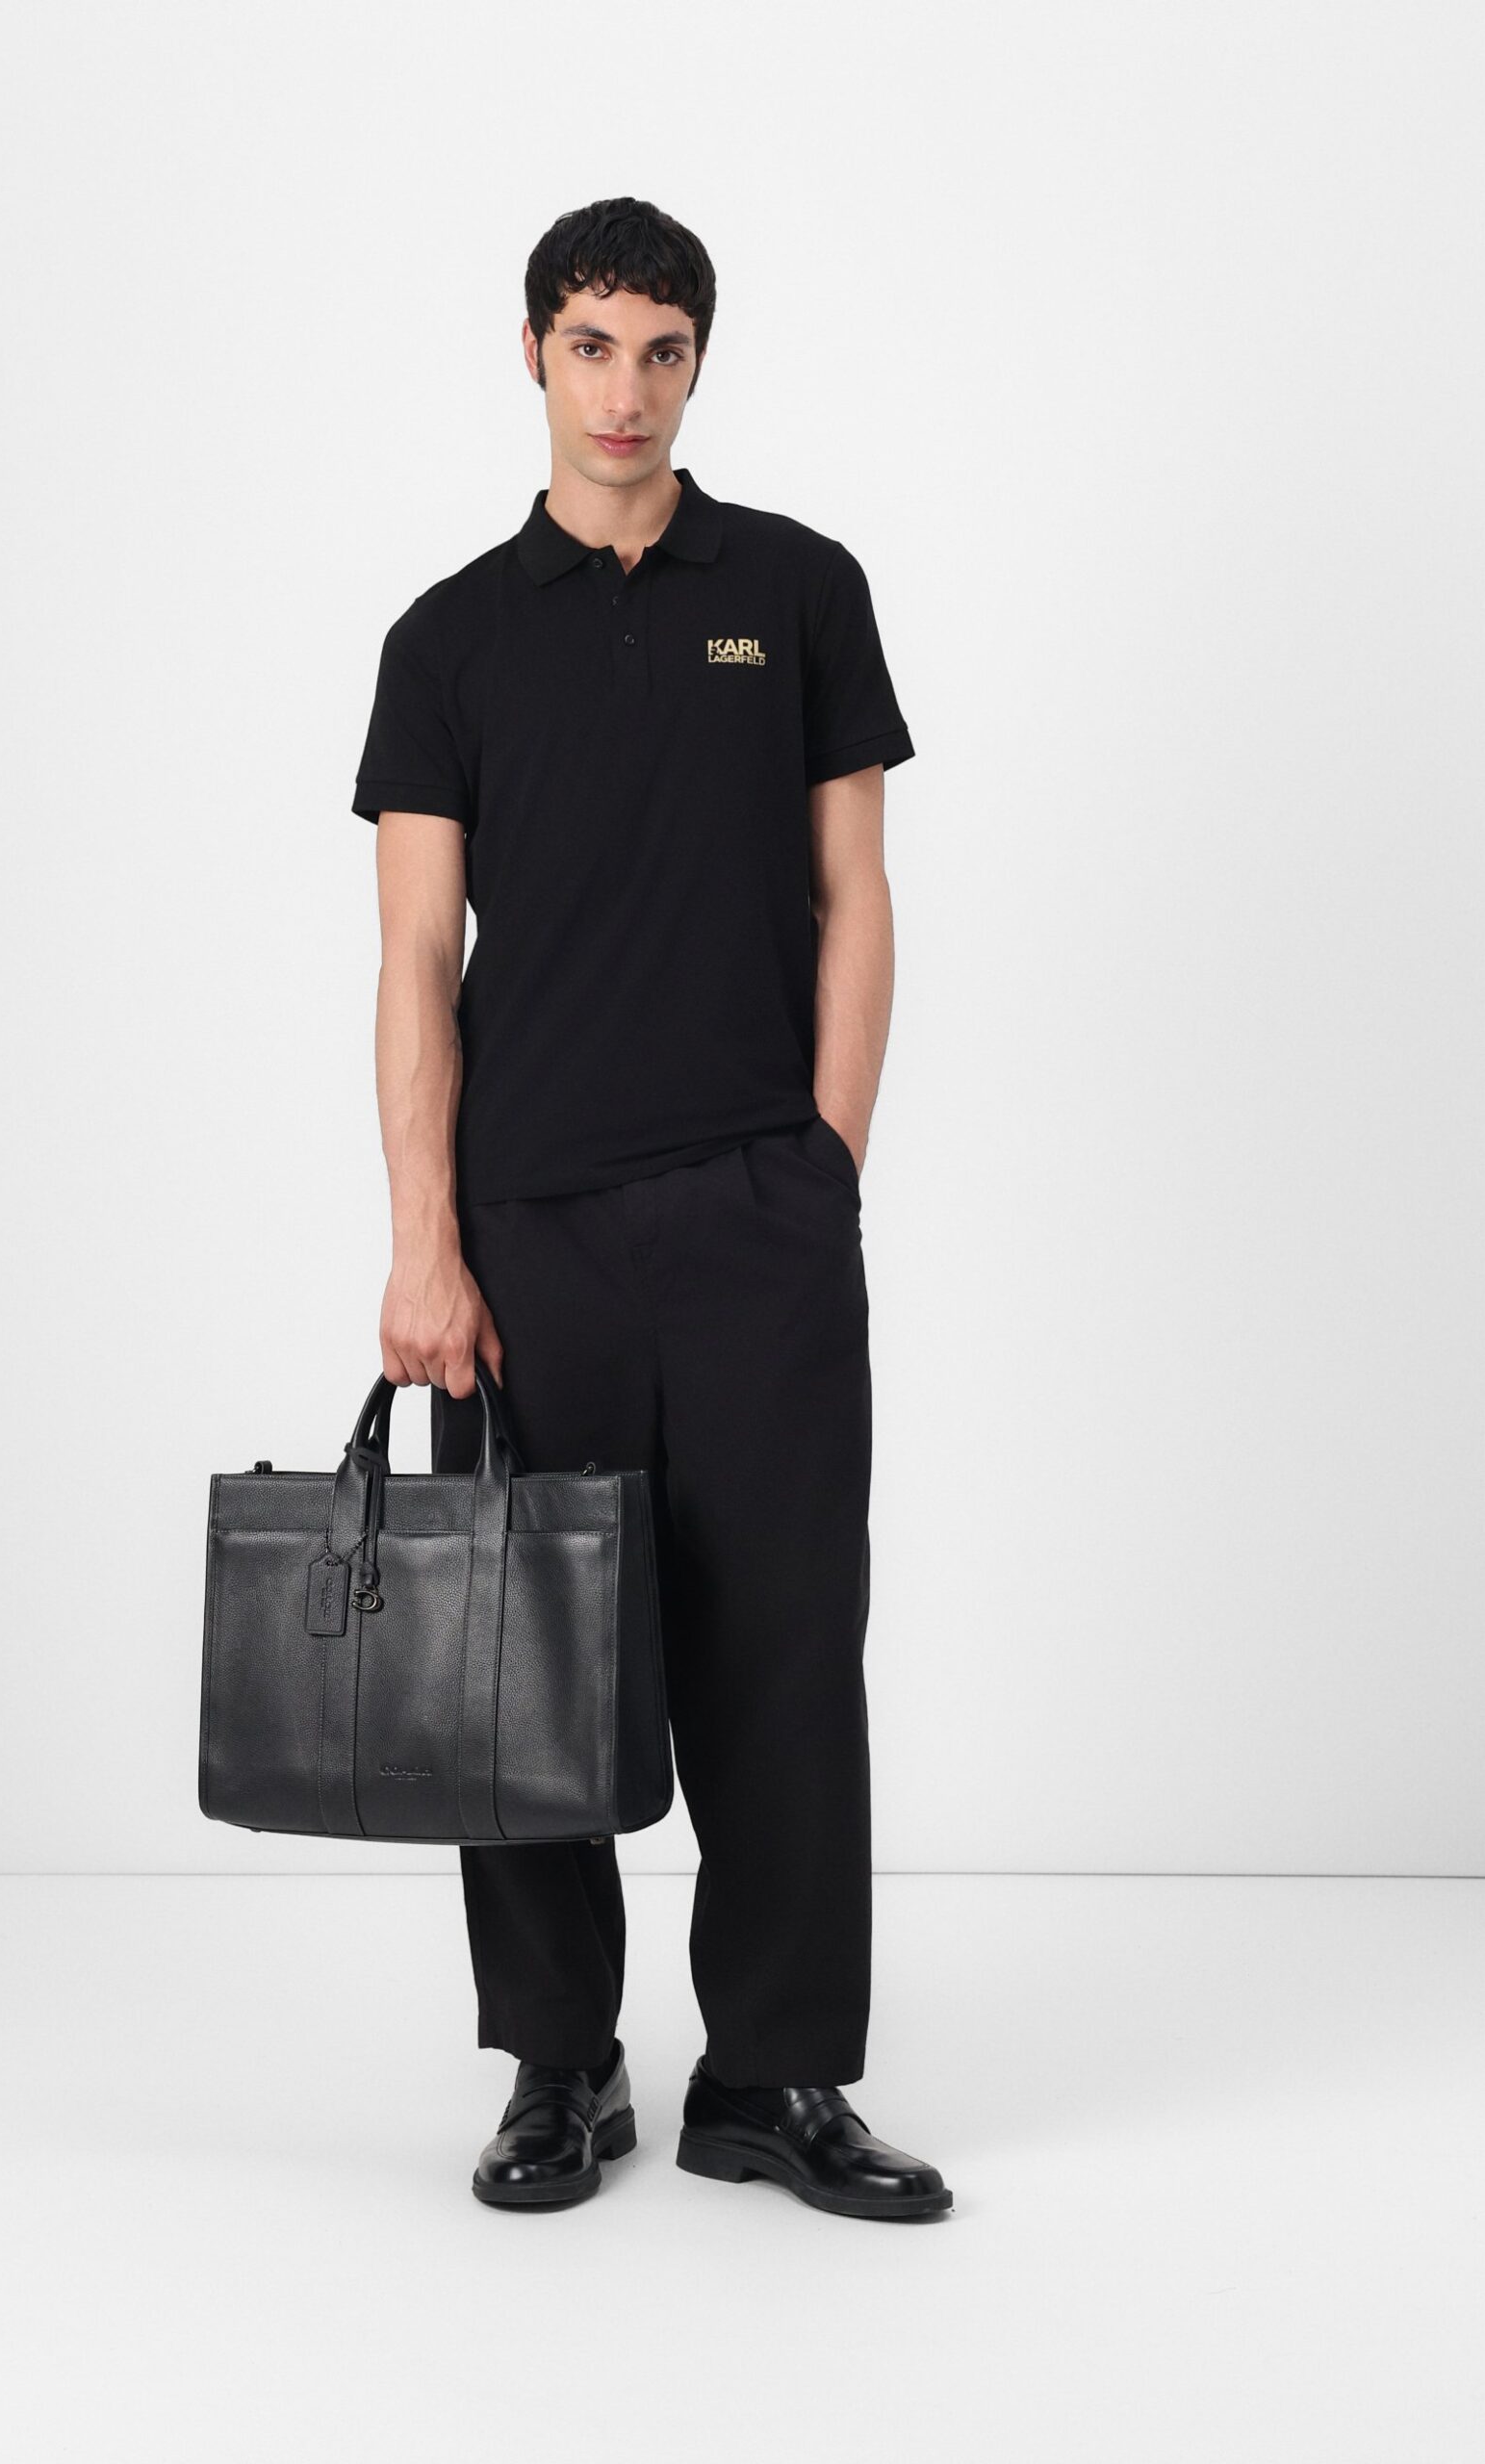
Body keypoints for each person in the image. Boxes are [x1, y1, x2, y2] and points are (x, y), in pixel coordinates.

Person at [351, 195, 953, 2224]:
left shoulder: (795, 588)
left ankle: (772, 2076)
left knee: (784, 1652)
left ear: (699, 363)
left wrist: (823, 1161)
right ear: (532, 350)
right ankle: (561, 2065)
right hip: (531, 1231)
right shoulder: (447, 638)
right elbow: (412, 957)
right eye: (592, 344)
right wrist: (425, 1242)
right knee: (521, 1660)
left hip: (757, 1213)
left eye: (662, 350)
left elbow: (856, 893)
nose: (625, 390)